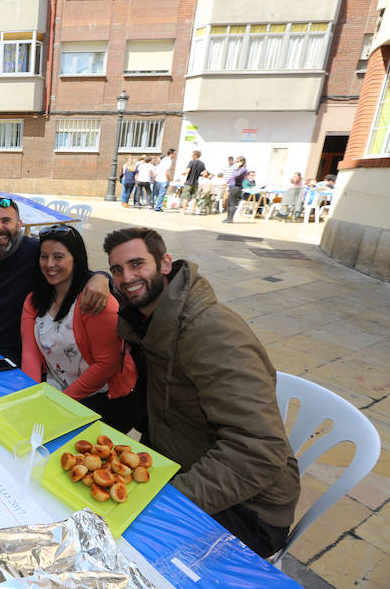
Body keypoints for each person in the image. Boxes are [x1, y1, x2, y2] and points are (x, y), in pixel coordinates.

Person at [103, 227, 300, 558]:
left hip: (248, 510)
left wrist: (165, 504)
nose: (127, 277)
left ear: (165, 264)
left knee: (120, 552)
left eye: (138, 264)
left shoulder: (211, 332)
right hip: (178, 464)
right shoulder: (147, 322)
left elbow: (259, 451)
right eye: (117, 270)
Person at [0, 197, 112, 364]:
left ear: (19, 224)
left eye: (6, 220)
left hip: (26, 356)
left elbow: (79, 273)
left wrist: (101, 278)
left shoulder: (38, 253)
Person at [21, 225, 138, 432]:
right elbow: (30, 354)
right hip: (57, 390)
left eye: (58, 257)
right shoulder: (34, 300)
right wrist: (30, 398)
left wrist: (61, 403)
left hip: (102, 399)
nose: (49, 264)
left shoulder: (95, 300)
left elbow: (107, 364)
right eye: (44, 256)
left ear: (75, 259)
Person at [224, 156, 248, 223]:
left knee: (232, 203)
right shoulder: (238, 169)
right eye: (236, 161)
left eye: (237, 161)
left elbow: (236, 175)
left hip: (237, 187)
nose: (236, 163)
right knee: (228, 202)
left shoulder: (243, 169)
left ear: (242, 162)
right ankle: (228, 218)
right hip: (232, 187)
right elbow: (231, 178)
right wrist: (227, 183)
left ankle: (230, 219)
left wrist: (237, 167)